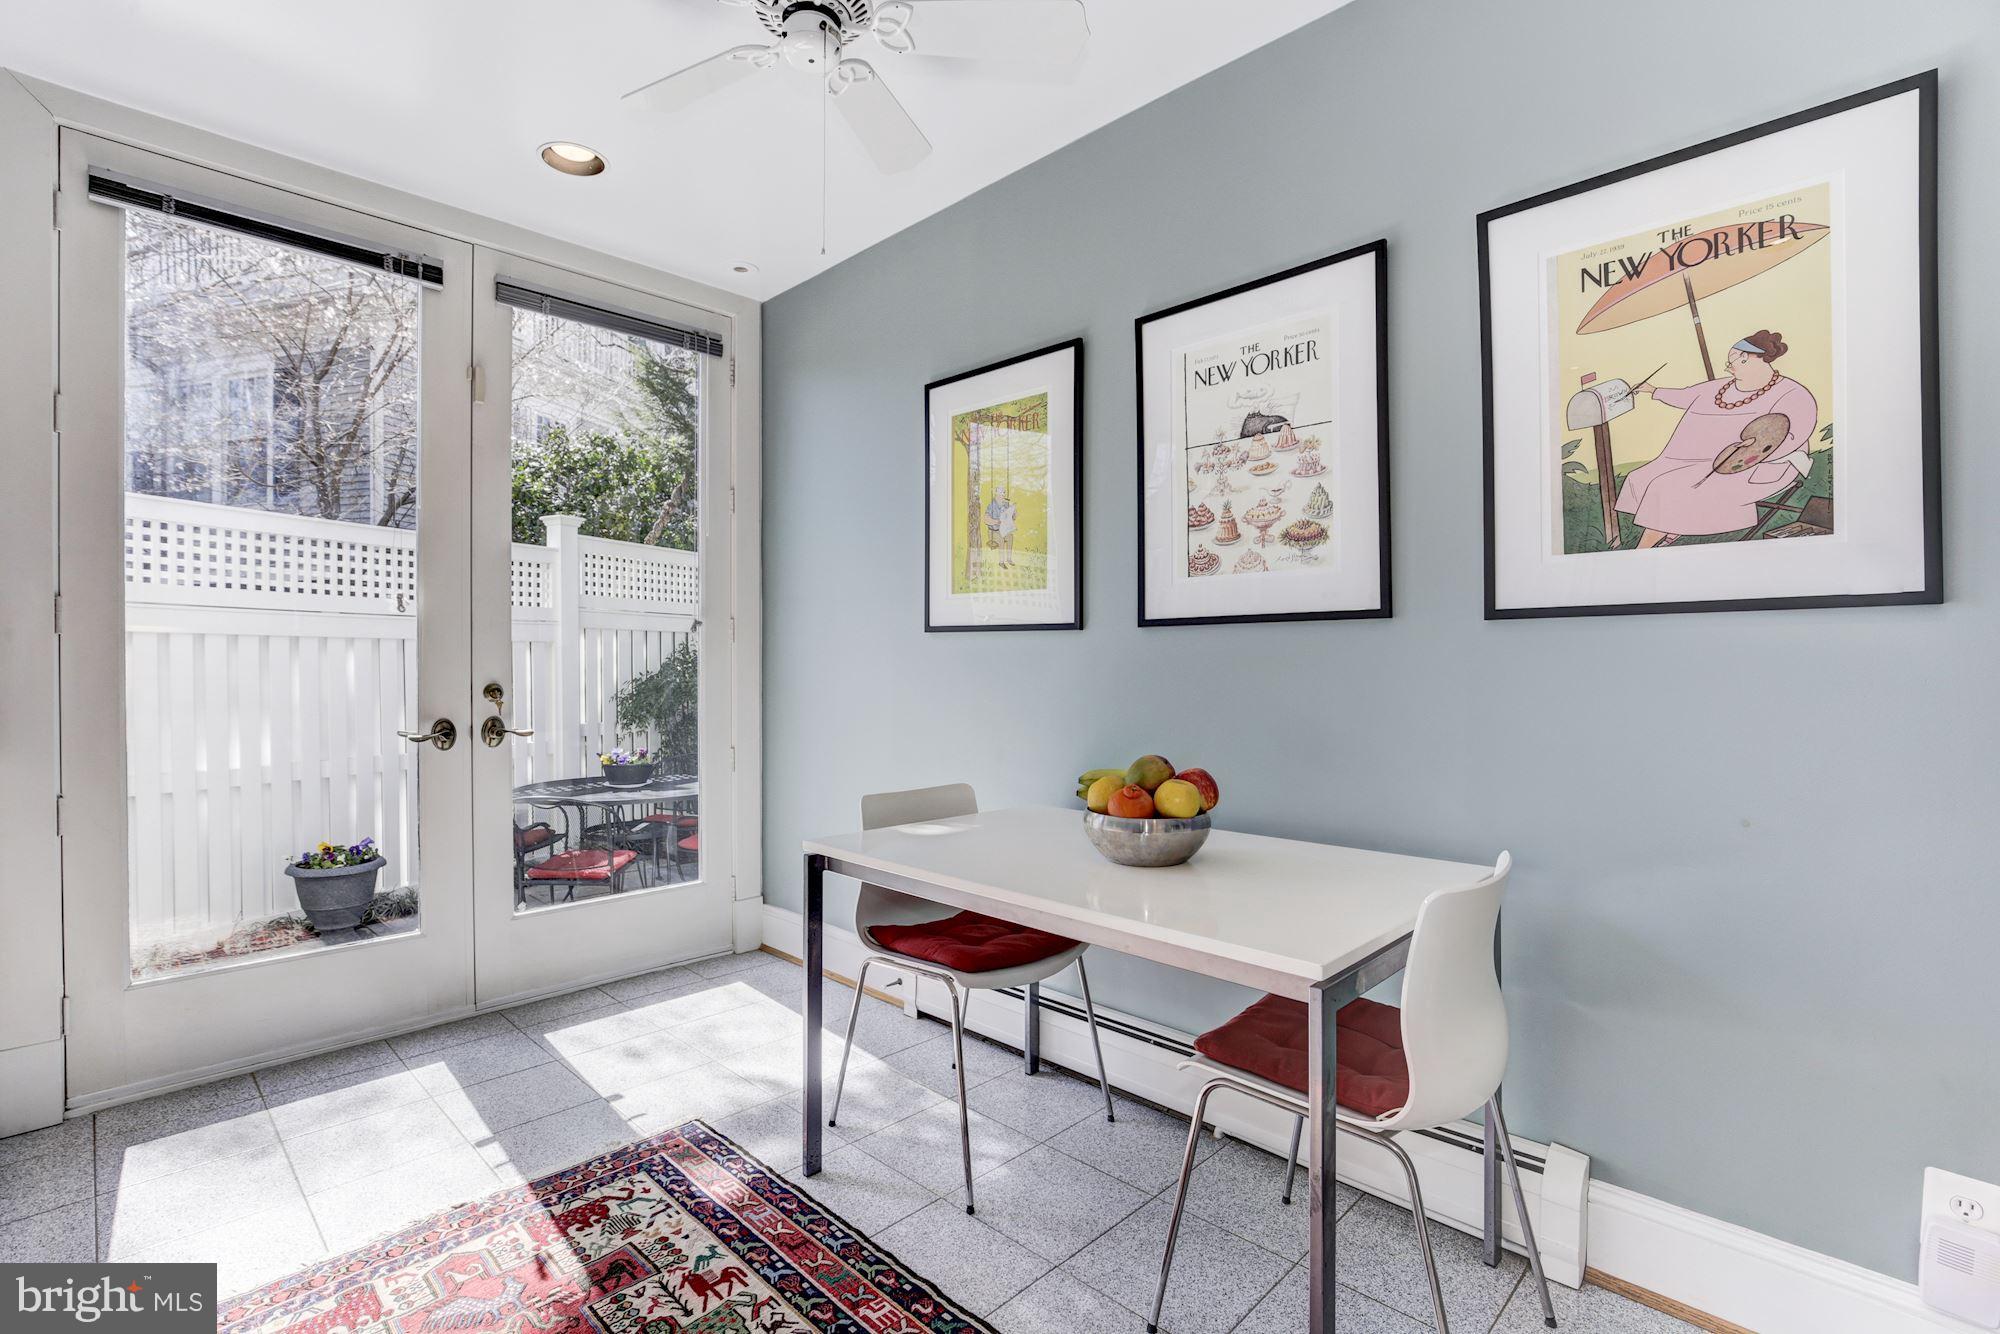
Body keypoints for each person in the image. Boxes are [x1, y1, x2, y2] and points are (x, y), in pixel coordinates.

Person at [1619, 330, 1818, 548]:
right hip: (1700, 457)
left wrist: (1753, 450)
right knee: (1641, 477)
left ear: (1754, 359)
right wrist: (1653, 390)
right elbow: (1686, 396)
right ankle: (1671, 526)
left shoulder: (1791, 392)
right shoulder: (1720, 387)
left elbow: (1793, 434)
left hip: (1759, 465)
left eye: (1736, 359)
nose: (1729, 365)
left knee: (1667, 488)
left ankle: (1643, 548)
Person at [985, 485, 1018, 569]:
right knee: (1001, 540)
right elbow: (986, 519)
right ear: (996, 494)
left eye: (1003, 493)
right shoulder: (991, 505)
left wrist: (1014, 511)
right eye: (1000, 493)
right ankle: (1001, 561)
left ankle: (1009, 559)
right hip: (994, 530)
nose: (1002, 495)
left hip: (1004, 529)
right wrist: (996, 521)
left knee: (1010, 537)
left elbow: (1013, 518)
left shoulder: (1006, 504)